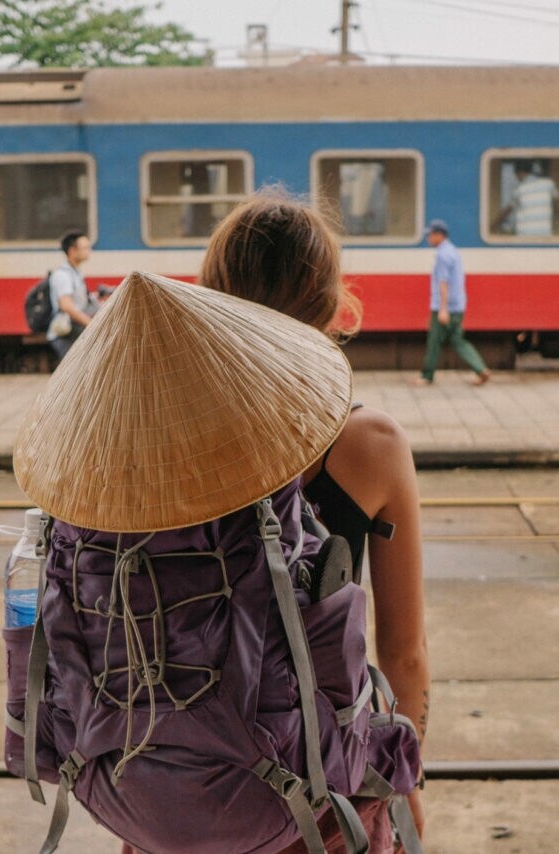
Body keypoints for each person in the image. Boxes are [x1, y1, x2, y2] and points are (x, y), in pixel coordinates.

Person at [197, 189, 430, 853]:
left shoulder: (160, 442)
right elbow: (403, 654)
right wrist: (406, 780)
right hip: (322, 803)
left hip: (176, 795)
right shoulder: (371, 445)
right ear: (334, 306)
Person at [413, 219, 491, 386]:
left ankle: (427, 376)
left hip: (444, 307)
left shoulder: (442, 255)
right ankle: (481, 368)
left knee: (434, 341)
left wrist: (442, 309)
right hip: (458, 306)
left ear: (439, 235)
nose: (428, 239)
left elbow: (443, 283)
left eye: (431, 235)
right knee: (458, 340)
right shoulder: (453, 251)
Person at [47, 230, 93, 361]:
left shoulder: (76, 273)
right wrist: (91, 324)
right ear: (72, 251)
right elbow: (67, 306)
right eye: (85, 248)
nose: (89, 251)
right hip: (64, 334)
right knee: (73, 378)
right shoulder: (63, 275)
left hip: (73, 331)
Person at [492, 159, 559, 237]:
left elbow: (506, 212)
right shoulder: (548, 184)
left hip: (524, 235)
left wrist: (493, 225)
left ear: (519, 173)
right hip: (544, 234)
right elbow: (557, 204)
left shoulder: (519, 190)